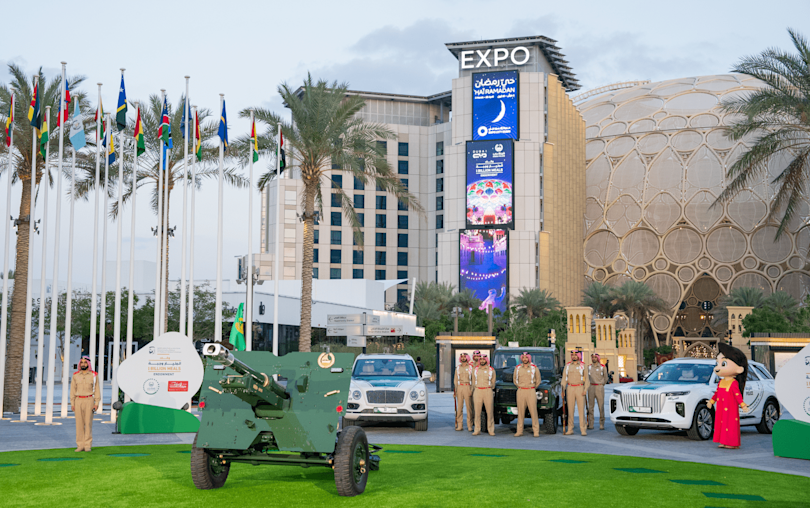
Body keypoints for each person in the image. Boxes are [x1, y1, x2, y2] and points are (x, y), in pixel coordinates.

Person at [706, 342, 749, 449]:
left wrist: (742, 405)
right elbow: (717, 394)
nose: (717, 368)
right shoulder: (721, 382)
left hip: (730, 409)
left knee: (730, 424)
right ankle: (723, 441)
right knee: (722, 423)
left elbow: (737, 395)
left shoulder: (733, 383)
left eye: (723, 364)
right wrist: (711, 401)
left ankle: (732, 443)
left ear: (739, 369)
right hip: (721, 408)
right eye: (718, 363)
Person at [70, 356, 100, 452]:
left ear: (88, 364)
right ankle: (80, 445)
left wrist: (96, 403)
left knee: (88, 423)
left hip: (89, 400)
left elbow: (97, 390)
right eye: (82, 362)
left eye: (85, 362)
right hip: (78, 400)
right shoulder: (75, 375)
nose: (83, 364)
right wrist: (72, 403)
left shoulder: (94, 375)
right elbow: (72, 390)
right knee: (79, 424)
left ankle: (87, 445)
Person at [513, 352, 541, 437]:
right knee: (520, 412)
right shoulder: (517, 368)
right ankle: (519, 431)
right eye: (523, 357)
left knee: (533, 411)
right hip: (521, 390)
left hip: (530, 390)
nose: (525, 359)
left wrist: (532, 387)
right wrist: (520, 386)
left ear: (529, 358)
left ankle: (536, 431)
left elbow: (538, 380)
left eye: (526, 357)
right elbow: (515, 380)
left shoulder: (534, 368)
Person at [562, 350, 589, 436]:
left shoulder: (583, 365)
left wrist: (585, 389)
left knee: (581, 410)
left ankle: (583, 429)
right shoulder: (567, 366)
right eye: (572, 355)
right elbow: (564, 379)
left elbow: (587, 379)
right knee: (570, 410)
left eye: (575, 355)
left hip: (580, 388)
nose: (574, 356)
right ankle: (570, 429)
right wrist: (563, 390)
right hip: (570, 388)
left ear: (578, 356)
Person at [472, 355, 495, 436]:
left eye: (483, 359)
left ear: (486, 360)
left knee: (490, 412)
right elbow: (473, 381)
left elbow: (493, 382)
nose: (482, 361)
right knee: (477, 412)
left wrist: (490, 387)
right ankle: (477, 429)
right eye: (480, 359)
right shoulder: (475, 369)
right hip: (478, 390)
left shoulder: (491, 370)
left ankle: (491, 429)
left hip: (487, 390)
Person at [454, 353, 474, 431]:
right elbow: (455, 380)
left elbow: (473, 380)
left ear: (467, 358)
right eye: (461, 357)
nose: (463, 358)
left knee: (469, 408)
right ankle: (460, 425)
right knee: (459, 408)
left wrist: (471, 390)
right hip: (460, 387)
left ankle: (469, 425)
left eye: (464, 357)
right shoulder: (458, 368)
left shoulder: (470, 367)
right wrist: (455, 391)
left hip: (467, 386)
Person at [587, 353, 608, 430]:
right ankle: (591, 423)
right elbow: (586, 377)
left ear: (598, 358)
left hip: (599, 387)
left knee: (601, 406)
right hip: (591, 387)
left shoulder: (602, 367)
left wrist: (601, 384)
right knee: (590, 407)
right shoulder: (589, 367)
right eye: (592, 357)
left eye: (595, 357)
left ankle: (601, 423)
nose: (594, 359)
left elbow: (606, 378)